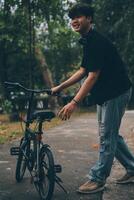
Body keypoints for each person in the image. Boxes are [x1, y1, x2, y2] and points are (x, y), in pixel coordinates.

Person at [51, 3, 134, 194]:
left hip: (115, 92)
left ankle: (98, 178)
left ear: (89, 18)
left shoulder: (97, 42)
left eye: (79, 16)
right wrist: (61, 86)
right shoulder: (88, 40)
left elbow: (93, 75)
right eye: (72, 17)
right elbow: (83, 70)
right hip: (106, 94)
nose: (74, 20)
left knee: (107, 136)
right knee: (110, 134)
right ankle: (132, 168)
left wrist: (74, 102)